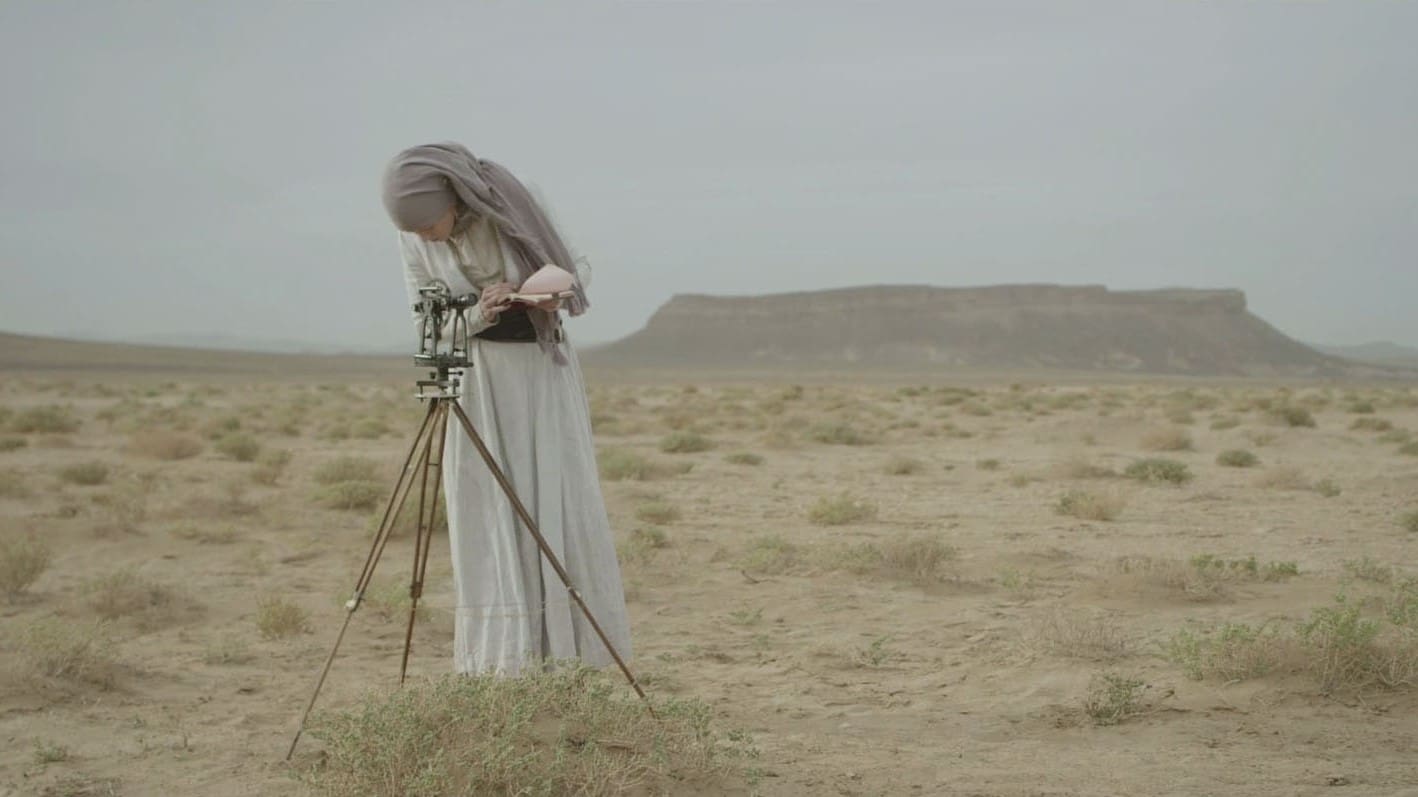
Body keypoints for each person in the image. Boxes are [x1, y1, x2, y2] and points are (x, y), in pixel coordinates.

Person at [380, 142, 632, 676]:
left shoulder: (516, 202)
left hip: (540, 374)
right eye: (414, 231)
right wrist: (479, 311)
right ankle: (504, 663)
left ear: (453, 199)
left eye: (429, 225)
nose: (425, 238)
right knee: (488, 511)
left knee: (553, 500)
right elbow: (426, 326)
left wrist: (547, 294)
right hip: (478, 383)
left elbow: (573, 270)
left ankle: (568, 657)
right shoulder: (411, 238)